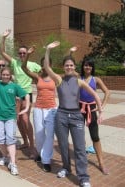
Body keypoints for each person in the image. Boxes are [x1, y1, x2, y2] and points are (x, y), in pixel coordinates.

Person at [43, 41, 103, 187]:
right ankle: (66, 168)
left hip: (76, 116)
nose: (69, 67)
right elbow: (46, 67)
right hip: (61, 115)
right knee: (63, 145)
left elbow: (95, 94)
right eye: (66, 65)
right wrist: (48, 50)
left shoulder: (79, 82)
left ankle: (83, 177)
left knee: (80, 147)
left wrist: (100, 111)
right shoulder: (58, 79)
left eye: (71, 65)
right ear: (63, 67)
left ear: (74, 67)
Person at [0, 29, 41, 158]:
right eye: (20, 53)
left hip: (27, 94)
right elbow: (2, 52)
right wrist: (4, 38)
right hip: (16, 95)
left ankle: (32, 147)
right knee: (17, 120)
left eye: (24, 53)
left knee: (25, 119)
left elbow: (44, 73)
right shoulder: (14, 63)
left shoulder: (33, 65)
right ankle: (25, 142)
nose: (22, 55)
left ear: (28, 53)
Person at [0, 60, 30, 176]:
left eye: (7, 75)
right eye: (3, 74)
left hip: (10, 117)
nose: (5, 76)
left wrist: (26, 108)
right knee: (0, 140)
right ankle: (5, 156)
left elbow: (26, 95)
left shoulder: (14, 86)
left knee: (10, 139)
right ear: (1, 75)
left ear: (10, 76)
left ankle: (13, 163)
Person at [21, 46, 57, 172]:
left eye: (47, 64)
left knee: (50, 135)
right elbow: (23, 68)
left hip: (51, 109)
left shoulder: (56, 77)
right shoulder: (37, 77)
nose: (45, 66)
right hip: (38, 109)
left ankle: (46, 160)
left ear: (50, 65)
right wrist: (28, 55)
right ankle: (42, 155)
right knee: (39, 134)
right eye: (43, 64)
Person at [80, 58, 110, 175]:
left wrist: (101, 106)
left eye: (90, 66)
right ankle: (81, 160)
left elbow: (107, 92)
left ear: (92, 68)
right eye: (85, 65)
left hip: (91, 110)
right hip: (79, 109)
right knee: (79, 136)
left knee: (95, 136)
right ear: (82, 66)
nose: (87, 67)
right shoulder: (79, 78)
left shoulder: (96, 79)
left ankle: (101, 163)